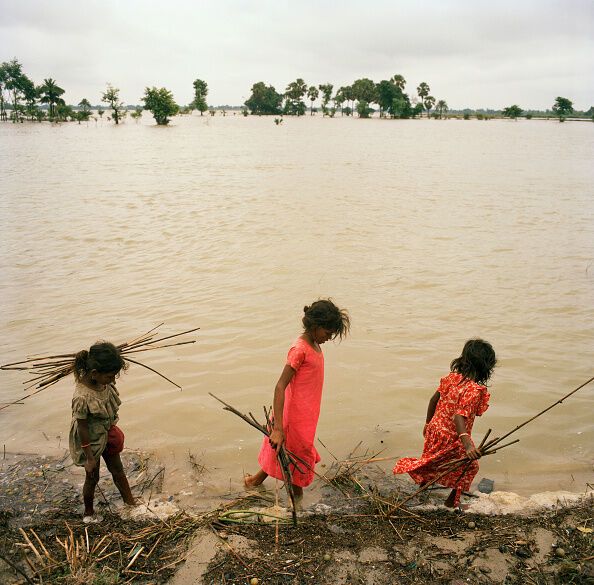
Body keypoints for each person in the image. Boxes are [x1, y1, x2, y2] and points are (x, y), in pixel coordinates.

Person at [244, 299, 350, 498]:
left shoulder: (315, 346)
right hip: (293, 417)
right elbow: (280, 386)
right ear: (316, 327)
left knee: (287, 450)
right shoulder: (299, 350)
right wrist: (278, 428)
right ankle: (297, 502)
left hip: (306, 414)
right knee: (297, 458)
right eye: (327, 333)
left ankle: (254, 481)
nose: (329, 338)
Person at [393, 339, 497, 508]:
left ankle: (422, 488)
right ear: (485, 367)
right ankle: (451, 502)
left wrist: (427, 424)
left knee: (431, 461)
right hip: (453, 436)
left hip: (435, 430)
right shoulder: (474, 390)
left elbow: (433, 399)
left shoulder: (451, 378)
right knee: (469, 466)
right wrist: (468, 446)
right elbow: (458, 417)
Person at [69, 341, 136, 522]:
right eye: (110, 377)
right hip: (89, 441)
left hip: (105, 432)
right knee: (93, 477)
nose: (113, 381)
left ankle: (131, 505)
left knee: (118, 470)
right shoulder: (82, 397)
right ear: (94, 374)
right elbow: (82, 427)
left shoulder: (102, 381)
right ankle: (88, 513)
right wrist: (89, 457)